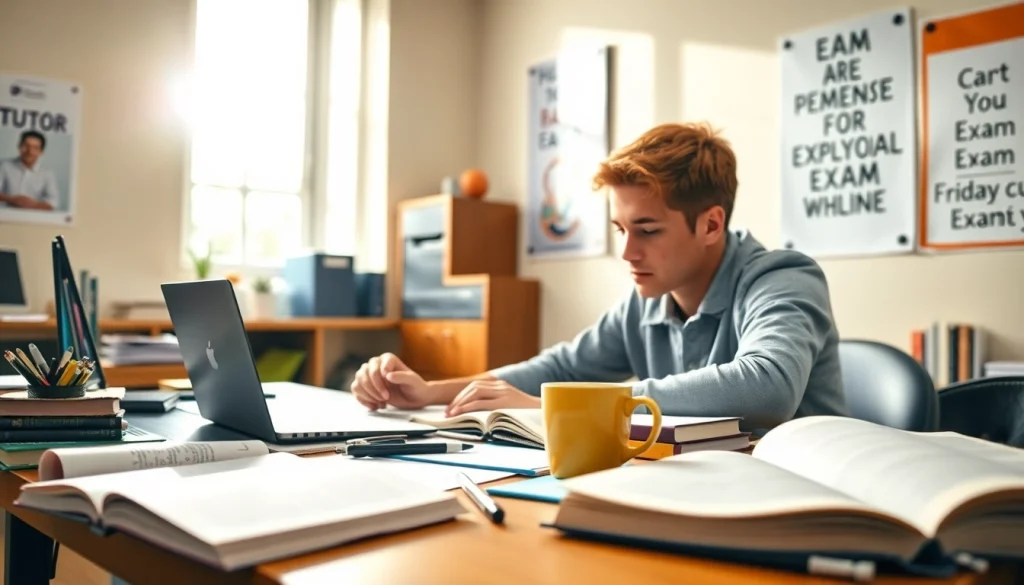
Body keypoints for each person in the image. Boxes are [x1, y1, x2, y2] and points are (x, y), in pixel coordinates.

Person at [351, 122, 848, 431]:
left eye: (647, 230)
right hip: (707, 488)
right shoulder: (649, 299)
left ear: (711, 224)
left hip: (804, 505)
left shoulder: (782, 276)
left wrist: (561, 409)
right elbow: (563, 370)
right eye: (620, 229)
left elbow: (767, 386)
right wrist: (429, 391)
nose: (628, 252)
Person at [0, 130, 60, 211]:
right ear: (19, 147)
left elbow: (53, 202)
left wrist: (32, 205)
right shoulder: (4, 166)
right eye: (26, 146)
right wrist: (12, 200)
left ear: (41, 152)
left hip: (33, 220)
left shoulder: (47, 174)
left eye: (35, 148)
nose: (30, 151)